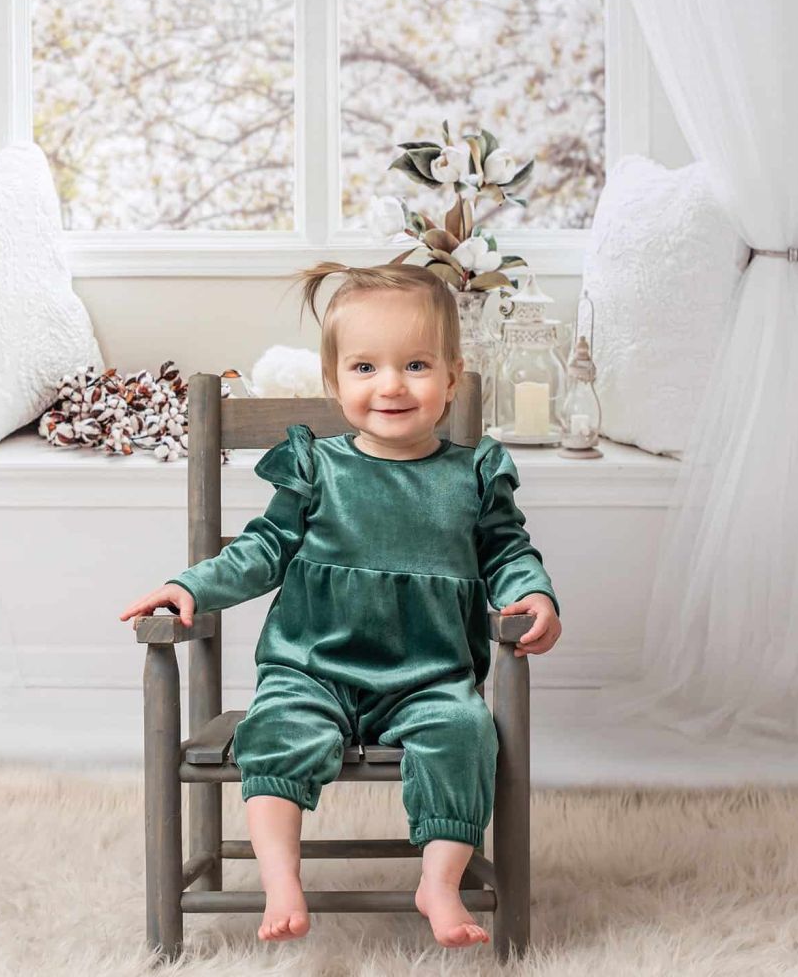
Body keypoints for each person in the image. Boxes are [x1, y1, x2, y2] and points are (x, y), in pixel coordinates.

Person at [119, 262, 562, 949]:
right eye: (364, 367)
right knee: (275, 730)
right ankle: (281, 879)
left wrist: (530, 592)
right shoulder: (317, 466)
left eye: (416, 365)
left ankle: (439, 882)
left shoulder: (472, 474)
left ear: (452, 377)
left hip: (430, 676)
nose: (391, 385)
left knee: (465, 733)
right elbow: (263, 549)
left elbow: (506, 552)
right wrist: (192, 587)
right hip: (312, 668)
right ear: (334, 381)